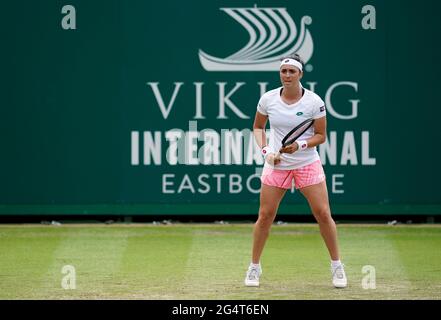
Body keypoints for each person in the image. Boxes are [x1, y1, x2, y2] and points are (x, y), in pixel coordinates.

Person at [244, 54, 347, 288]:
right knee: (265, 216)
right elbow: (258, 127)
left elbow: (321, 135)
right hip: (276, 165)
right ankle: (254, 267)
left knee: (322, 214)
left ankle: (337, 266)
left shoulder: (314, 102)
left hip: (306, 163)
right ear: (280, 73)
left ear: (300, 74)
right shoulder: (268, 99)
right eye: (284, 71)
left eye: (292, 71)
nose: (287, 75)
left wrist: (299, 145)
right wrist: (267, 151)